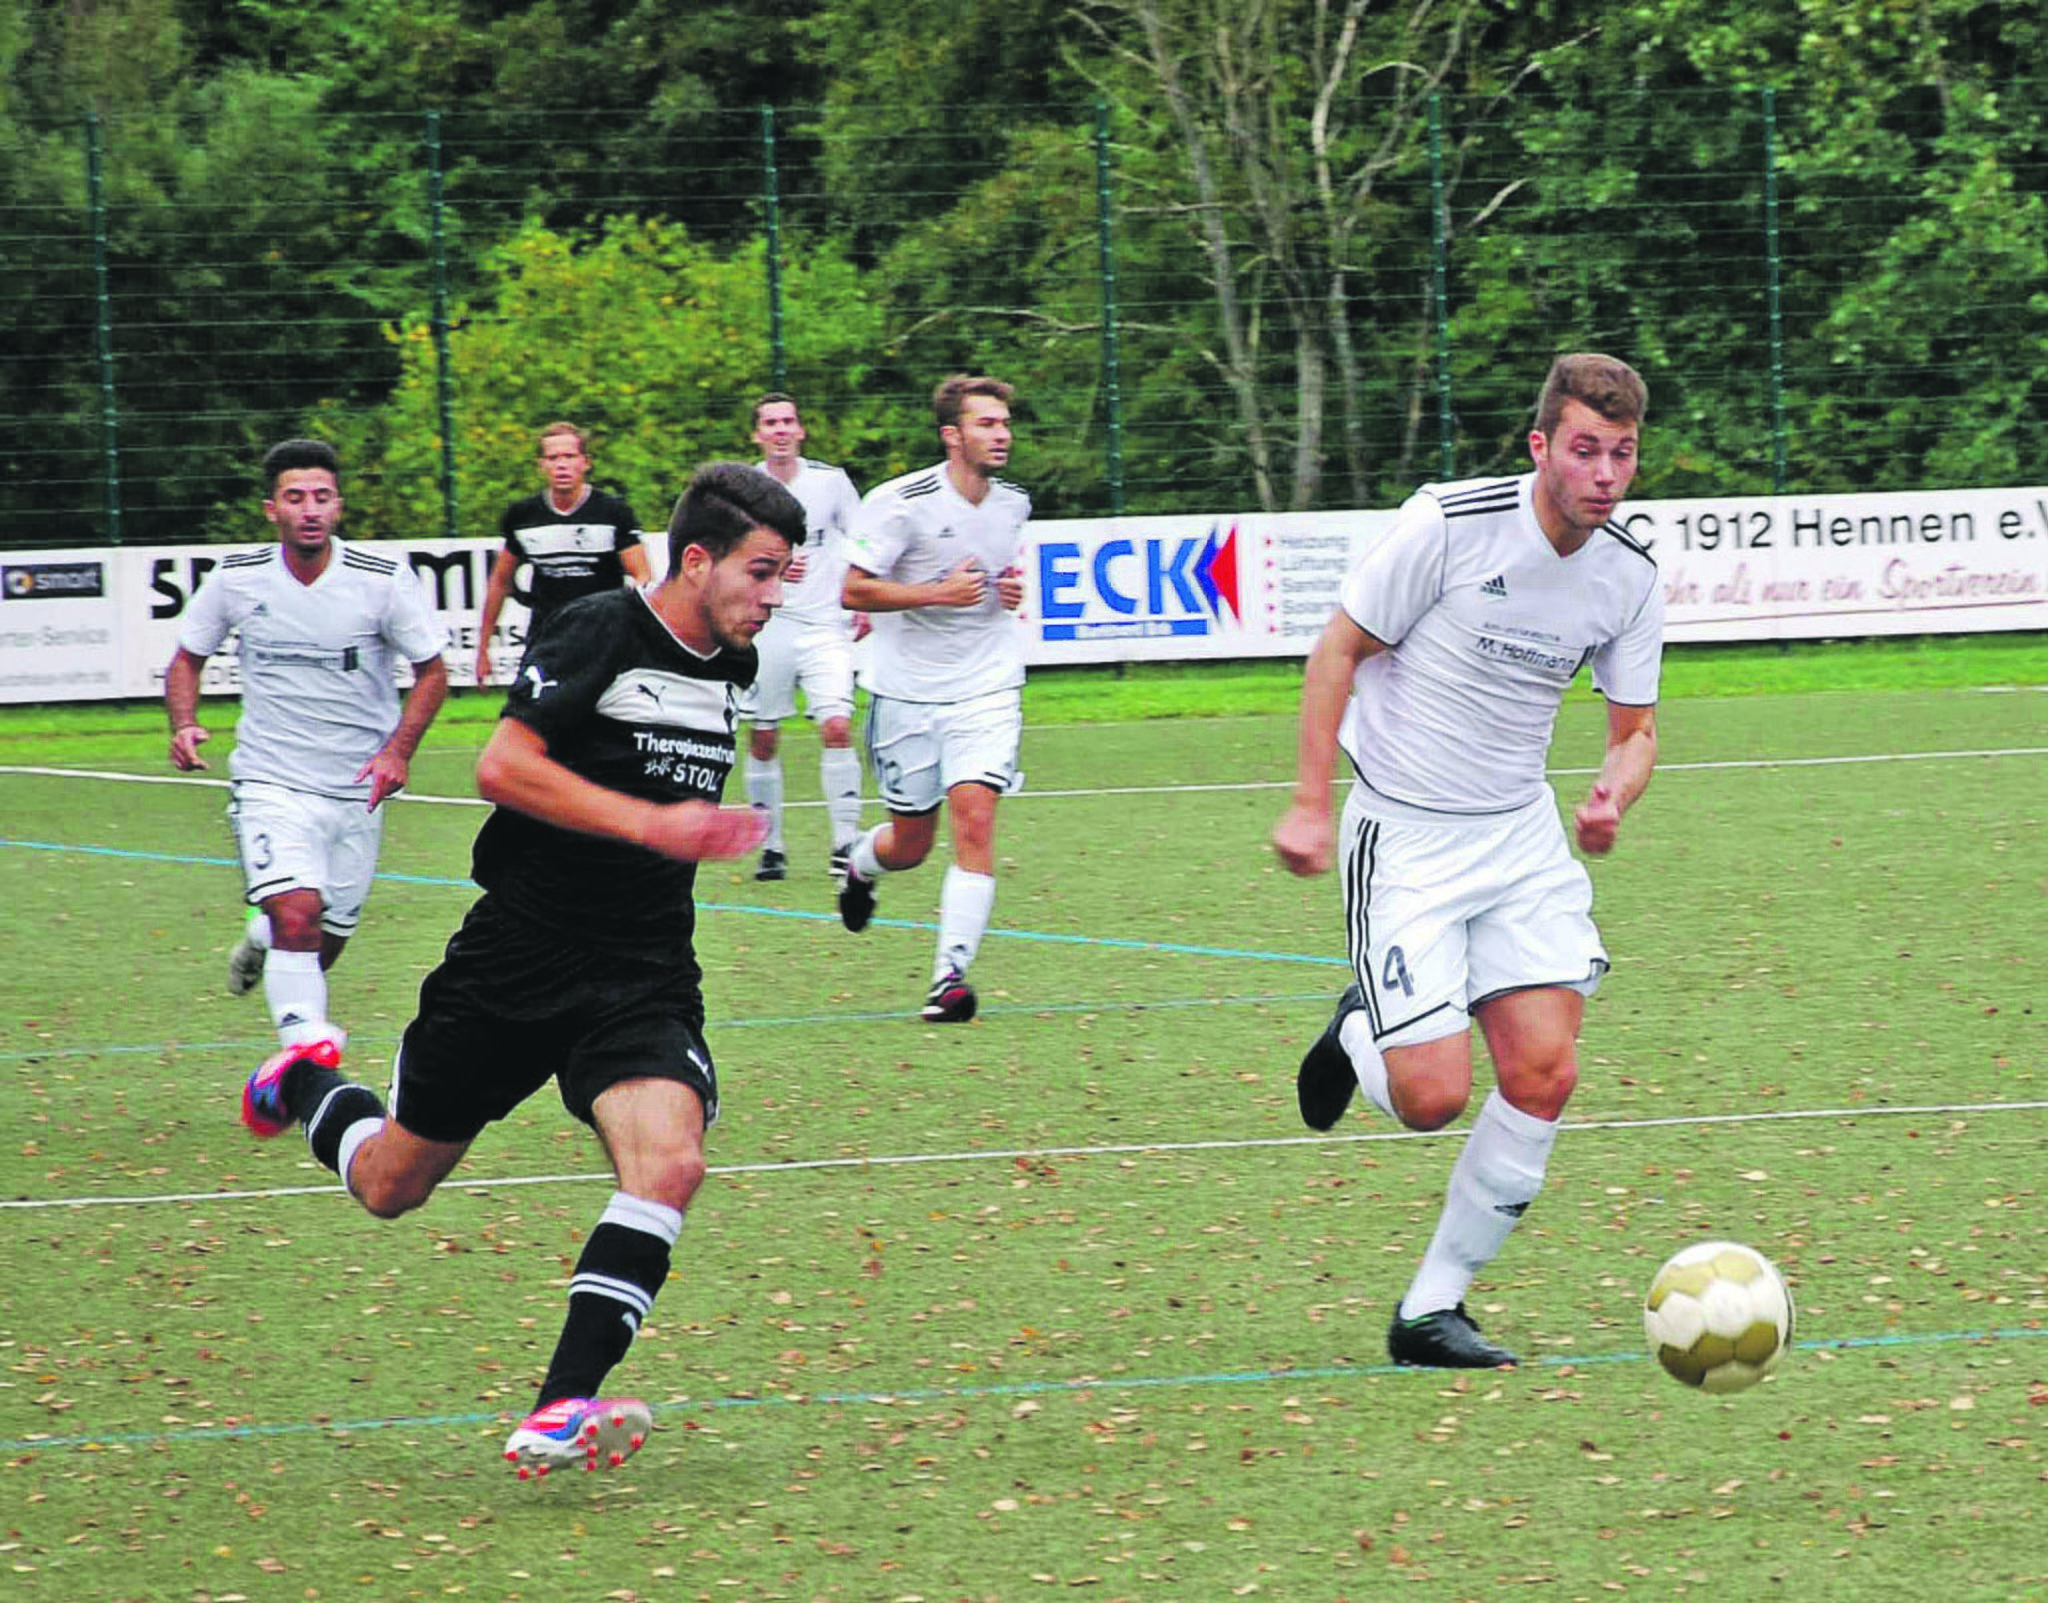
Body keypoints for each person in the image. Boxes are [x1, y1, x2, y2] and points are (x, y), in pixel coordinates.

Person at [237, 461, 803, 1477]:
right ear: (696, 558)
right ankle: (307, 1081)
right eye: (760, 573)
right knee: (388, 1185)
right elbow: (502, 766)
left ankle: (558, 1408)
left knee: (669, 1163)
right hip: (517, 959)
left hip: (641, 971)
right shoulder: (598, 629)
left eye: (782, 578)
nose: (773, 595)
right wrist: (649, 821)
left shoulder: (733, 664)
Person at [1271, 353, 1664, 1370]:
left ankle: (1428, 1309)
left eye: (1620, 453)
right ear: (1540, 446)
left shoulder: (1627, 574)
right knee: (1428, 1098)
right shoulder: (1448, 524)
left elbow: (1636, 729)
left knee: (1542, 1071)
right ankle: (1359, 1028)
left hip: (1518, 837)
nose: (1604, 473)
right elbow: (1334, 651)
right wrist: (1311, 805)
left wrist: (1612, 790)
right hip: (1404, 831)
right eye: (1583, 449)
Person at [165, 438, 450, 1068]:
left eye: (321, 496)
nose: (310, 509)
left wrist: (397, 753)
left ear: (338, 506)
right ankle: (303, 1054)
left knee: (320, 940)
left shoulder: (381, 581)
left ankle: (261, 937)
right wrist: (184, 723)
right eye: (296, 497)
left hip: (356, 789)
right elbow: (187, 658)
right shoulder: (238, 579)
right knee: (299, 913)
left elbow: (432, 671)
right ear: (273, 510)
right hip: (271, 781)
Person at [836, 375, 1030, 1024]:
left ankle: (948, 976)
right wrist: (936, 594)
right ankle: (862, 863)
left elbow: (995, 577)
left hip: (988, 686)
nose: (1000, 434)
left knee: (975, 819)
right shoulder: (899, 502)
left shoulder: (1013, 504)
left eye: (1003, 423)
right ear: (953, 435)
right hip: (905, 693)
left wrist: (1006, 592)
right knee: (910, 845)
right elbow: (854, 592)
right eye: (985, 424)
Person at [739, 392, 867, 882]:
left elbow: (863, 537)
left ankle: (845, 844)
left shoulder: (830, 483)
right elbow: (728, 554)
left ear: (801, 430)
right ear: (757, 434)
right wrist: (766, 569)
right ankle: (771, 846)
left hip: (824, 626)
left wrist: (861, 592)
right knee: (764, 736)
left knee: (836, 725)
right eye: (770, 423)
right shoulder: (744, 487)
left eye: (788, 421)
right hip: (765, 627)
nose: (780, 430)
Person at [474, 421, 651, 684]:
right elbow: (500, 581)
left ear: (586, 462)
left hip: (602, 637)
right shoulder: (523, 516)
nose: (561, 465)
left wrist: (631, 630)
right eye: (553, 458)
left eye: (569, 456)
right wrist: (483, 649)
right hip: (547, 638)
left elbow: (642, 576)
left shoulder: (613, 512)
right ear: (541, 465)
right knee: (531, 717)